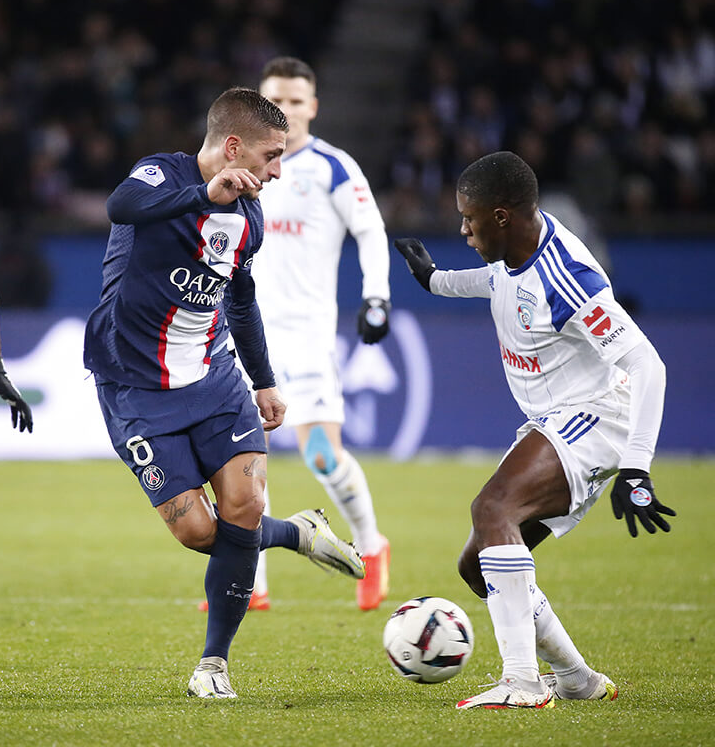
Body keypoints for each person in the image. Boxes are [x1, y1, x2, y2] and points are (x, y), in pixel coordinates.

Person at [83, 87, 366, 700]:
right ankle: (297, 534)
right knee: (199, 533)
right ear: (233, 147)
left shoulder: (250, 218)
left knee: (242, 507)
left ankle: (213, 666)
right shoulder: (163, 174)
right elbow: (120, 205)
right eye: (271, 155)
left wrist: (263, 381)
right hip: (134, 387)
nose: (278, 170)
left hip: (215, 378)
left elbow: (240, 298)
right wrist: (201, 197)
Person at [394, 151, 673, 710]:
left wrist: (637, 467)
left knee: (492, 509)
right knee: (477, 565)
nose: (463, 230)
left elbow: (648, 365)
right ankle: (575, 678)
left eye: (469, 219)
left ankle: (522, 683)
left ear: (501, 216)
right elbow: (494, 282)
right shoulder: (516, 250)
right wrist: (434, 280)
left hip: (597, 415)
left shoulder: (569, 278)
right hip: (554, 422)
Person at [239, 56, 393, 612]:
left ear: (313, 107)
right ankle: (249, 581)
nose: (286, 109)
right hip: (242, 335)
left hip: (306, 338)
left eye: (297, 100)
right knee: (242, 459)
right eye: (275, 98)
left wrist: (377, 296)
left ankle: (372, 547)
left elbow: (371, 234)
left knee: (323, 457)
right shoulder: (237, 164)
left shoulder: (334, 167)